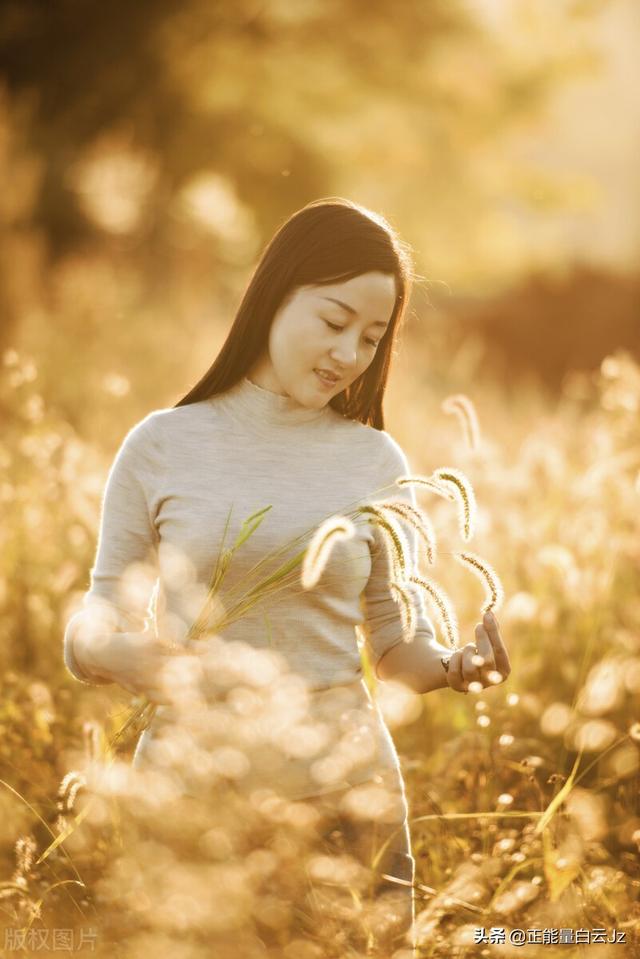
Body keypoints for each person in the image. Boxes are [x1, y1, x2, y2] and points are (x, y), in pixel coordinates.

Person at [63, 196, 511, 955]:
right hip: (191, 800)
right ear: (274, 293)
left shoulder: (374, 459)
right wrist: (109, 652)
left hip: (350, 801)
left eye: (371, 338)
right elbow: (98, 611)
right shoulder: (162, 445)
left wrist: (455, 667)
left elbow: (395, 647)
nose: (349, 354)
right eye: (334, 321)